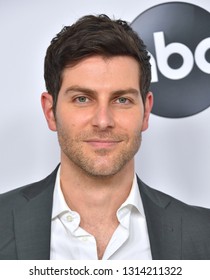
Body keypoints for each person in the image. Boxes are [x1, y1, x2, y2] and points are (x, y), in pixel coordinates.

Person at [0, 14, 210, 260]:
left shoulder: (203, 234)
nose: (103, 121)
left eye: (122, 100)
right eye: (82, 99)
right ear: (50, 112)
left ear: (146, 112)